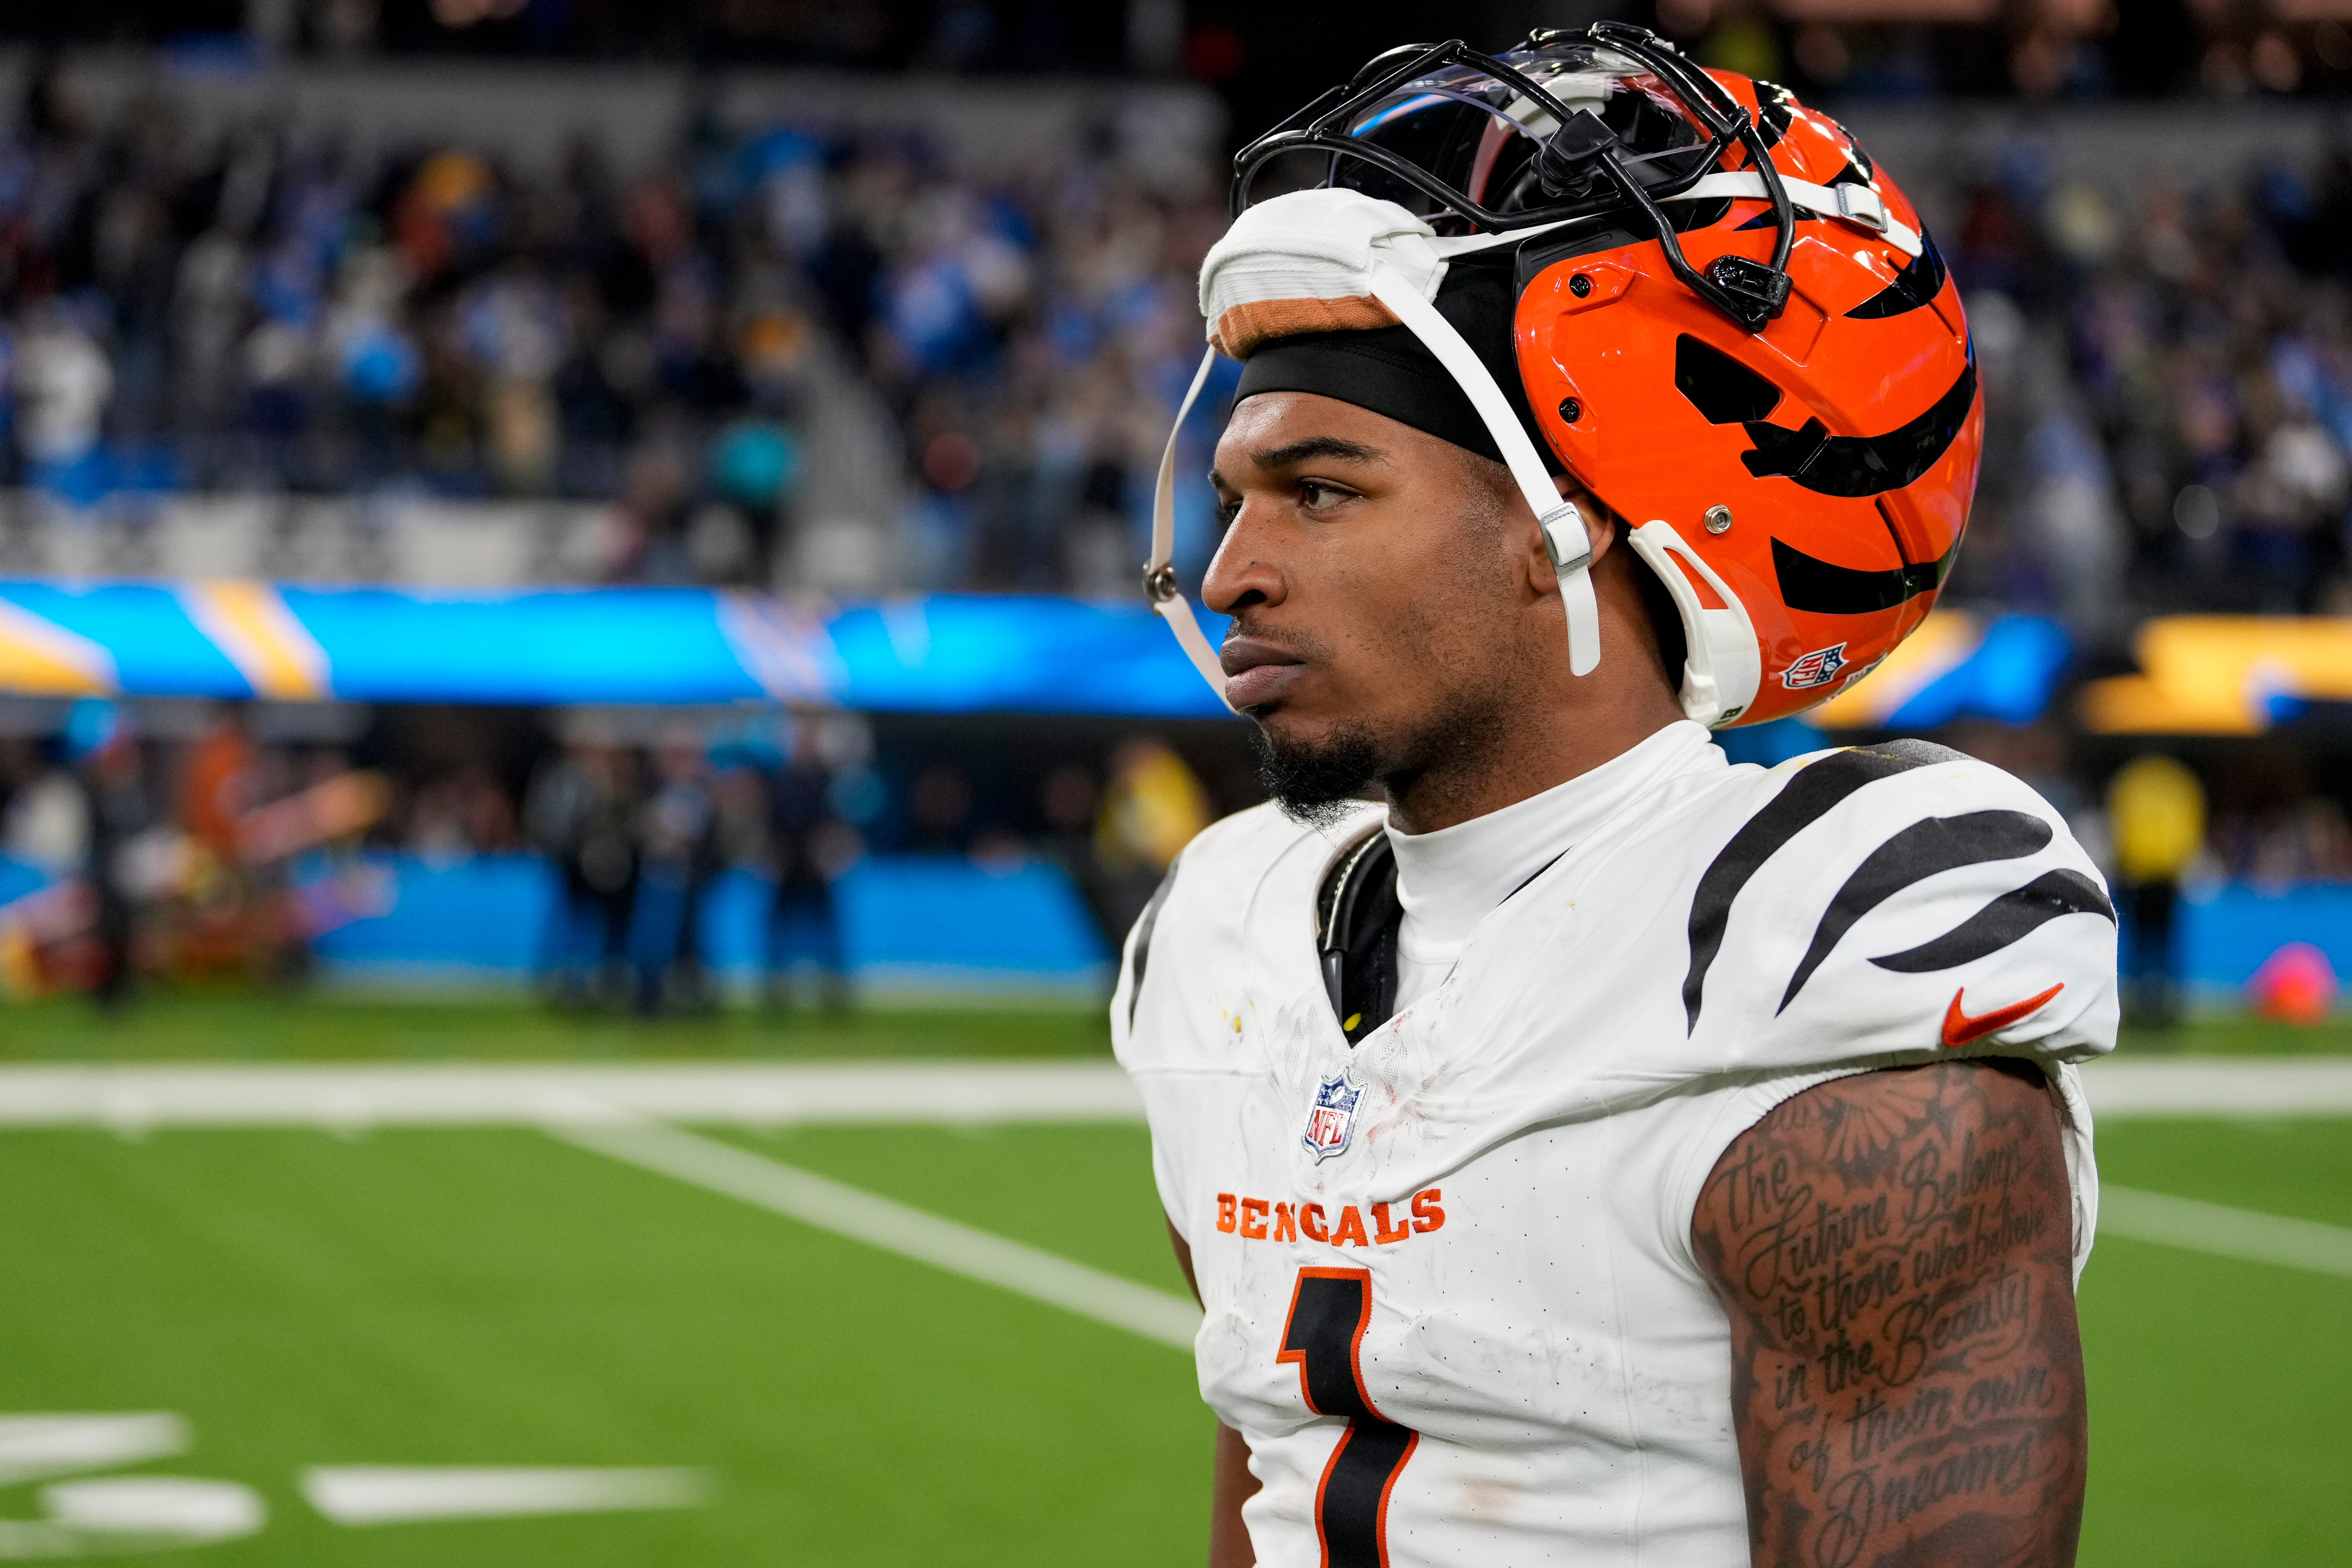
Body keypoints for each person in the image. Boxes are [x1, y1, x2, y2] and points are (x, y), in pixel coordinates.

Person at [1112, 26, 2119, 1568]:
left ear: (1572, 528)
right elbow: (1278, 1476)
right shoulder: (1228, 937)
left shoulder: (1808, 964)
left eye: (1325, 490)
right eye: (1239, 496)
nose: (1235, 571)